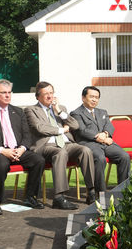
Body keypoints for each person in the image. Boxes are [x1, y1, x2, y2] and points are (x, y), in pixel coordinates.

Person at [0, 79, 46, 210]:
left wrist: (22, 149)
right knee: (2, 163)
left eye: (9, 92)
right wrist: (3, 151)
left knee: (38, 160)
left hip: (17, 150)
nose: (7, 95)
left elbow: (27, 135)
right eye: (3, 92)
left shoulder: (19, 112)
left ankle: (30, 197)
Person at [25, 81, 95, 209]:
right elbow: (40, 128)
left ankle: (91, 191)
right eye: (46, 94)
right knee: (60, 152)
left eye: (51, 93)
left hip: (66, 143)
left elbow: (75, 125)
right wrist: (62, 129)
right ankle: (59, 197)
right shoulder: (31, 110)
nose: (49, 96)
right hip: (45, 146)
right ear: (38, 96)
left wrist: (58, 111)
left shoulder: (60, 108)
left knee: (85, 150)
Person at [71, 86, 130, 192]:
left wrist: (106, 133)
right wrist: (101, 137)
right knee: (100, 159)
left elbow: (109, 126)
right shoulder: (76, 113)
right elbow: (82, 130)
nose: (94, 100)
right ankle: (101, 194)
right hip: (89, 144)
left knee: (124, 156)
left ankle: (122, 191)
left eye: (97, 97)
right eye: (91, 97)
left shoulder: (102, 112)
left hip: (106, 143)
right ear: (83, 98)